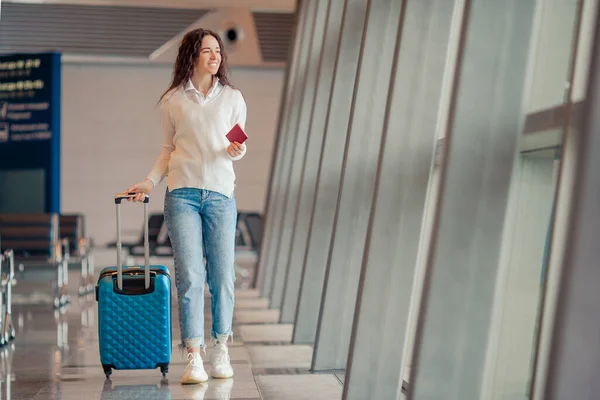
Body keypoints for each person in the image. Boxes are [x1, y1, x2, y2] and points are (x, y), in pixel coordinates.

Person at [125, 28, 247, 385]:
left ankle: (221, 346)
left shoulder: (233, 98)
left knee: (222, 277)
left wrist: (238, 149)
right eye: (207, 50)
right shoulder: (173, 100)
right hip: (182, 196)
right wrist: (149, 181)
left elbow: (238, 140)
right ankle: (194, 355)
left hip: (222, 196)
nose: (215, 56)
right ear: (192, 55)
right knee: (190, 277)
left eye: (218, 51)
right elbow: (168, 150)